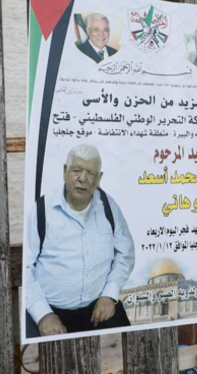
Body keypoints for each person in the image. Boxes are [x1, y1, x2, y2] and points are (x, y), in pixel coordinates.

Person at [24, 144, 135, 337]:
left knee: (131, 349)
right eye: (76, 171)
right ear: (65, 171)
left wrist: (109, 294)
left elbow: (125, 253)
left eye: (90, 173)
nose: (83, 179)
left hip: (99, 307)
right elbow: (25, 266)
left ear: (99, 179)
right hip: (52, 311)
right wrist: (43, 314)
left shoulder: (109, 207)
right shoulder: (41, 211)